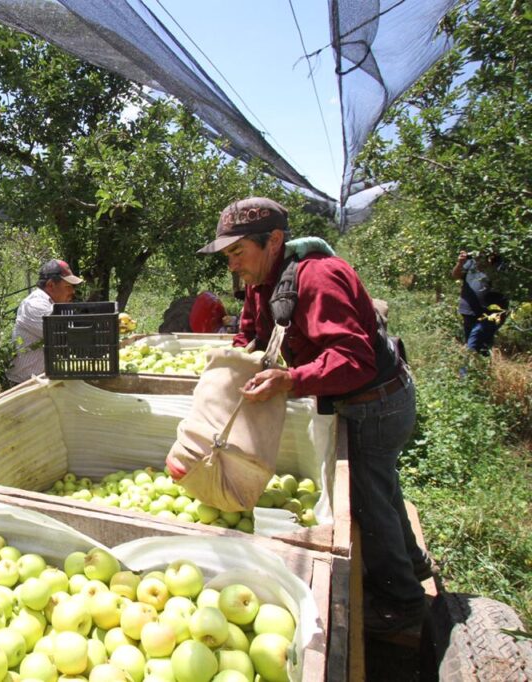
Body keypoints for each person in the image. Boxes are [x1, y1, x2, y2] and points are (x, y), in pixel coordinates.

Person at [198, 197, 431, 634]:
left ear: (274, 241)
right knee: (380, 488)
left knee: (366, 501)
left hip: (377, 404)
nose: (233, 265)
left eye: (238, 252)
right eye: (228, 255)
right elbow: (252, 330)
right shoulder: (262, 281)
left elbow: (354, 359)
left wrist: (291, 379)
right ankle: (414, 564)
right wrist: (236, 362)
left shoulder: (319, 277)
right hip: (354, 399)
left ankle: (401, 602)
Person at [5, 259, 83, 384]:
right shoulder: (34, 305)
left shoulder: (53, 305)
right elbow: (67, 337)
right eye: (68, 287)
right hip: (26, 385)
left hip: (43, 381)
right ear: (51, 285)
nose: (72, 292)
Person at [450, 250, 509, 355]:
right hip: (469, 310)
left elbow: (504, 283)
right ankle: (483, 363)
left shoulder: (502, 262)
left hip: (491, 313)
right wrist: (460, 263)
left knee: (473, 345)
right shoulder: (472, 260)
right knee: (482, 347)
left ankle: (465, 364)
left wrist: (488, 265)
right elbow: (455, 275)